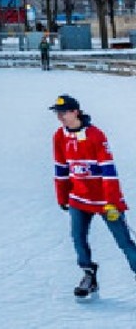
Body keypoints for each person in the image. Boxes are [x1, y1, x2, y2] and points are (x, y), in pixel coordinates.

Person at [50, 94, 136, 300]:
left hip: (105, 201)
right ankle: (88, 275)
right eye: (58, 113)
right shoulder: (59, 136)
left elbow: (109, 171)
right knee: (78, 238)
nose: (60, 117)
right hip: (78, 199)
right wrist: (62, 197)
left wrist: (112, 203)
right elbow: (61, 168)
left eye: (64, 113)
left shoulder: (96, 135)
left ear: (76, 112)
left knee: (124, 242)